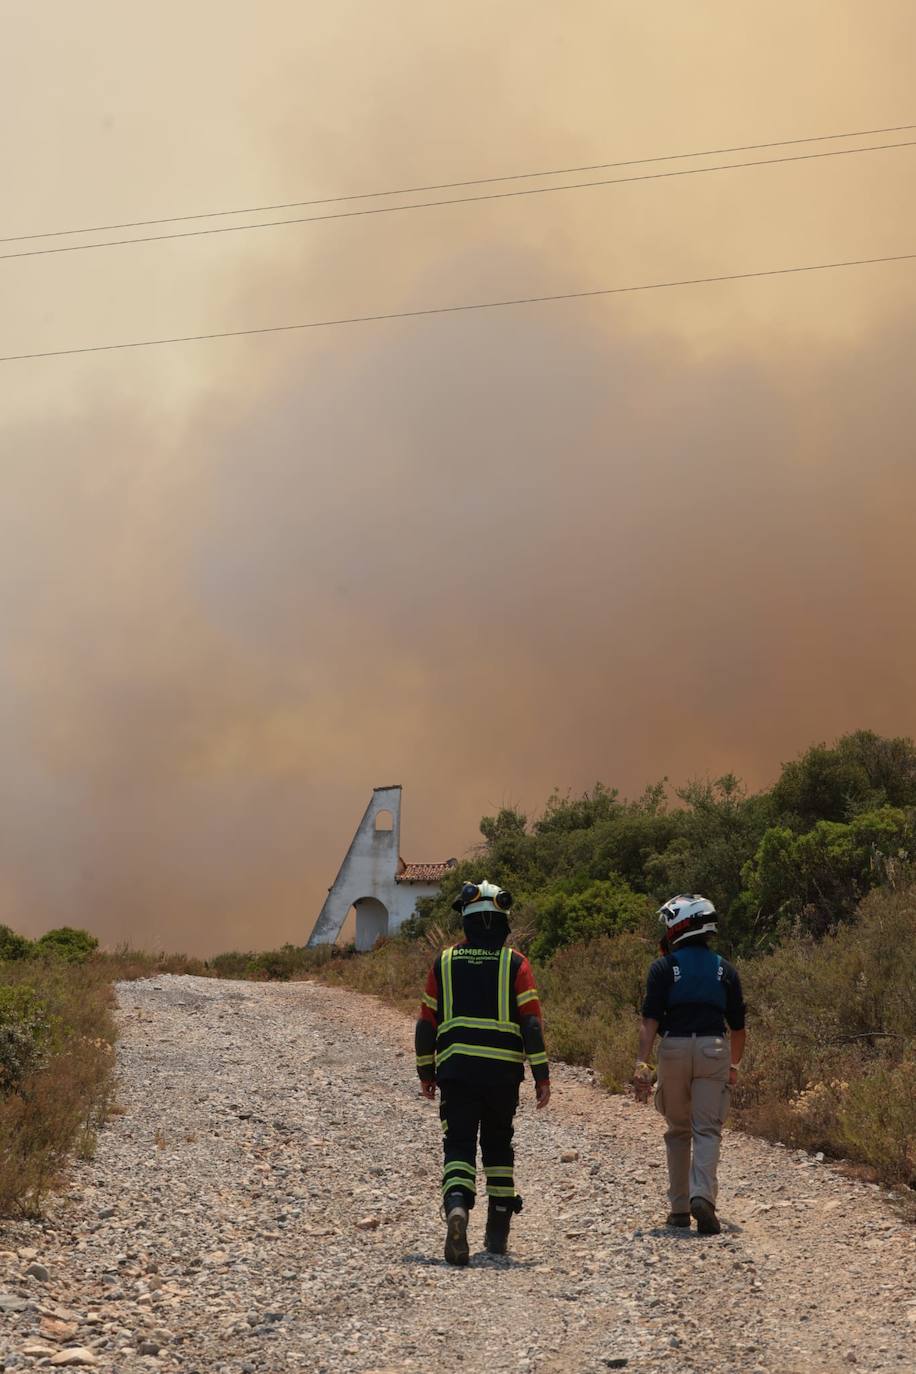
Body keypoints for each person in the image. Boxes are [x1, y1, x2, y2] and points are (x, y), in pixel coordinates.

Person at [415, 880, 551, 1265]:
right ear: (502, 921)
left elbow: (426, 1025)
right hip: (502, 1076)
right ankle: (497, 1234)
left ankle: (457, 1207)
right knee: (497, 1146)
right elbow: (532, 1024)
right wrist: (541, 1074)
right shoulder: (516, 963)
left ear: (467, 921)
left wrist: (426, 1070)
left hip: (456, 1072)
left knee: (458, 1144)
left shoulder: (443, 962)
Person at [633, 893, 746, 1235]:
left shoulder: (663, 968)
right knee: (707, 1129)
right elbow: (738, 1028)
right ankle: (703, 1198)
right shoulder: (725, 969)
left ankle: (680, 1209)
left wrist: (642, 1063)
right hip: (714, 1049)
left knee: (678, 1130)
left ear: (680, 925)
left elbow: (650, 1021)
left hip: (674, 1050)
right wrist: (734, 1066)